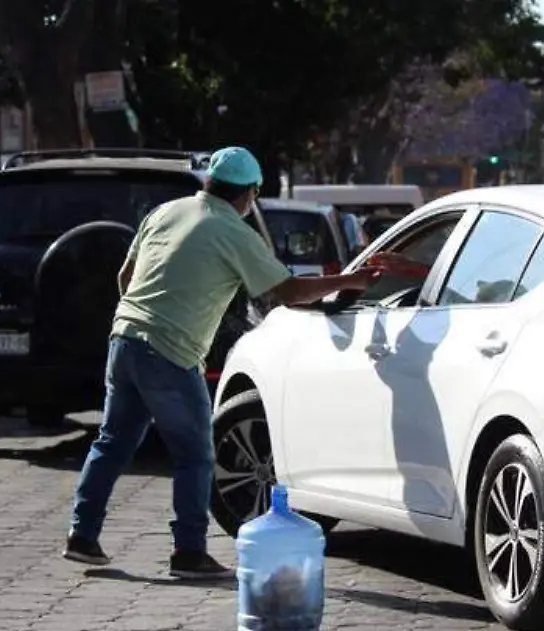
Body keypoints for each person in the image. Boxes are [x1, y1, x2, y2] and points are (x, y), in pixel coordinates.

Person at [63, 146, 384, 579]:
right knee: (196, 454)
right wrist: (352, 280)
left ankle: (82, 535)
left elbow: (126, 278)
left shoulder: (166, 212)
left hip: (125, 340)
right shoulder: (234, 231)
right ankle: (189, 551)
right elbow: (286, 292)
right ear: (249, 194)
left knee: (113, 441)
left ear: (208, 183)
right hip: (170, 351)